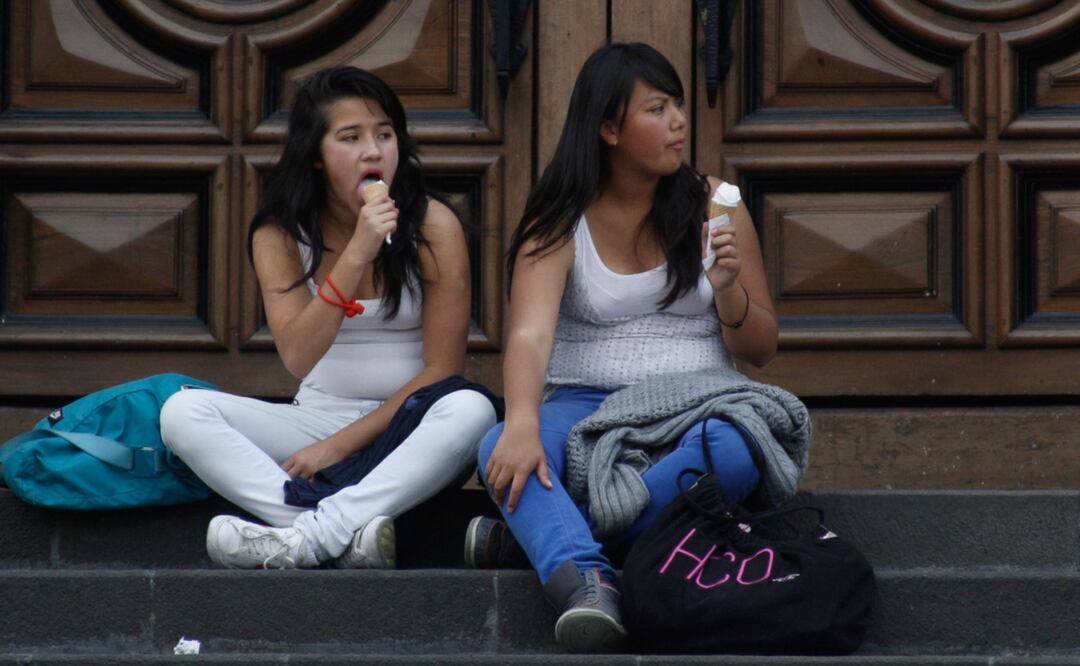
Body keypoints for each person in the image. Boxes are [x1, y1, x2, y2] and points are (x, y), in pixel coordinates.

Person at [466, 42, 806, 653]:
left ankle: (544, 545)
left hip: (697, 403)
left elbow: (761, 350)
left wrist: (728, 294)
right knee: (501, 443)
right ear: (608, 129)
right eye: (657, 108)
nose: (679, 120)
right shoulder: (560, 219)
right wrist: (519, 420)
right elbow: (529, 333)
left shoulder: (715, 206)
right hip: (583, 403)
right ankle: (589, 581)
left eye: (678, 104)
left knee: (737, 449)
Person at [160, 66, 497, 570]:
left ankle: (304, 538)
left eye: (385, 135)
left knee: (474, 410)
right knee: (181, 414)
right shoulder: (279, 234)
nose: (373, 151)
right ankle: (339, 532)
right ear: (315, 157)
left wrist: (336, 449)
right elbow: (298, 355)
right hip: (317, 416)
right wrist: (356, 252)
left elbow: (440, 374)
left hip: (411, 429)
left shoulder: (433, 225)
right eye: (351, 138)